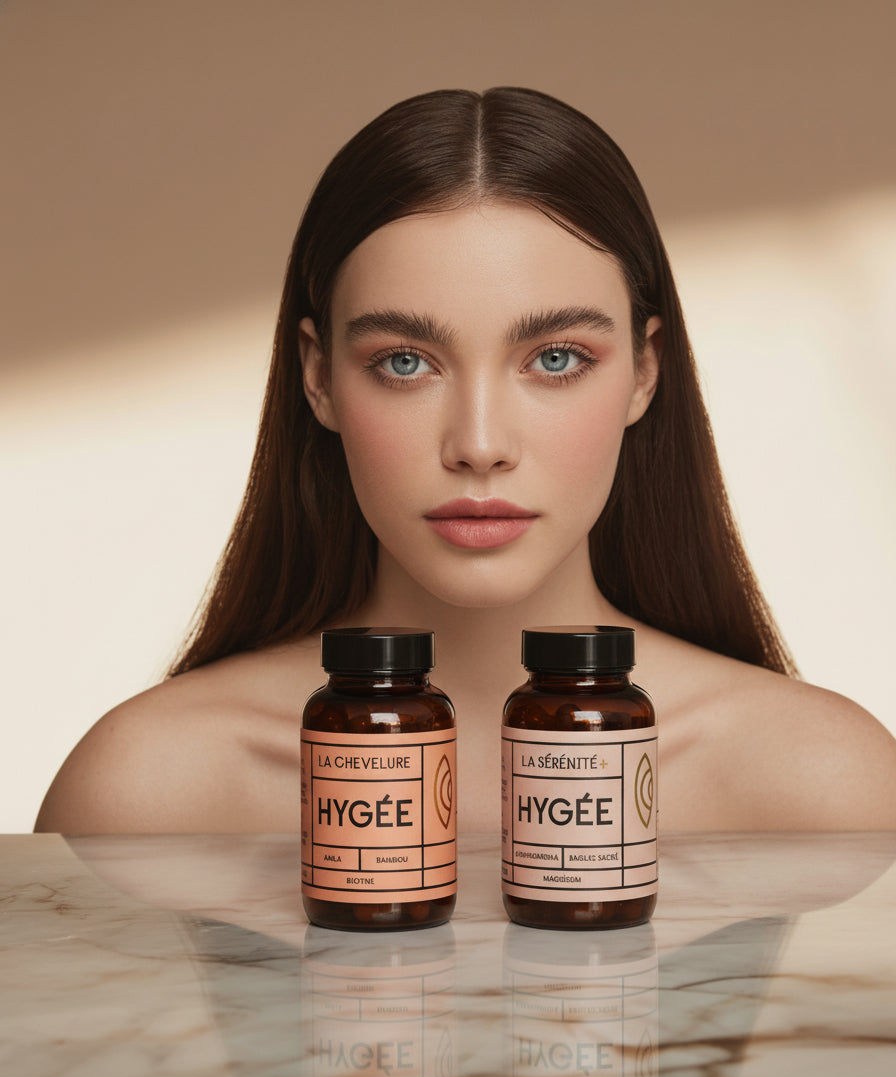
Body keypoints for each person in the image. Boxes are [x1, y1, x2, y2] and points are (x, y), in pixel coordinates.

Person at [35, 87, 896, 835]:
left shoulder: (824, 787)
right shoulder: (144, 794)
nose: (479, 445)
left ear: (645, 372)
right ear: (318, 377)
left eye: (556, 359)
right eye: (405, 362)